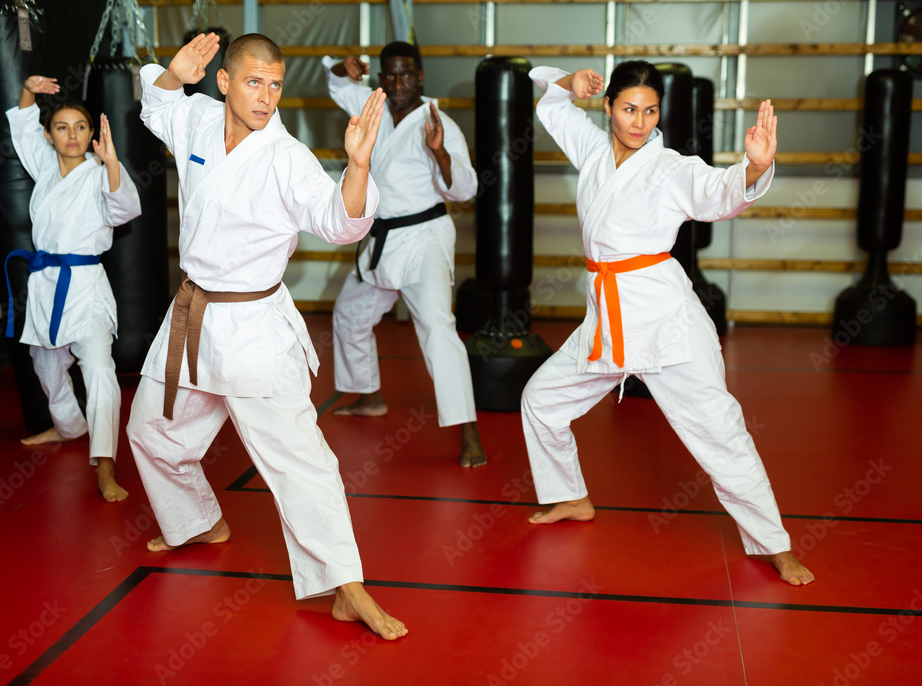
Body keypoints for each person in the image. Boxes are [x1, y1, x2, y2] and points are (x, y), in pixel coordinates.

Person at [126, 32, 407, 640]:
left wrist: (357, 166)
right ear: (224, 82)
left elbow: (340, 222)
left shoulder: (286, 158)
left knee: (301, 461)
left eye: (276, 84)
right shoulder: (198, 120)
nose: (266, 96)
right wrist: (174, 74)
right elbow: (156, 101)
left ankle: (346, 587)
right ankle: (198, 521)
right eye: (254, 82)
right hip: (193, 315)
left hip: (254, 327)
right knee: (150, 430)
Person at [520, 61, 814, 586]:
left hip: (664, 323)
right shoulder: (591, 151)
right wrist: (569, 83)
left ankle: (774, 545)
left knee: (721, 432)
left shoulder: (670, 168)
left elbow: (718, 191)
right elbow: (551, 106)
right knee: (540, 402)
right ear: (608, 106)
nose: (639, 121)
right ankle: (571, 497)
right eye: (628, 108)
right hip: (605, 324)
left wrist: (752, 168)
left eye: (649, 110)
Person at [322, 42, 487, 468]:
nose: (398, 84)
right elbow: (337, 82)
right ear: (380, 77)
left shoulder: (439, 123)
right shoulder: (373, 104)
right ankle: (370, 396)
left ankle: (468, 430)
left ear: (421, 77)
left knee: (437, 326)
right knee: (349, 315)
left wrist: (439, 152)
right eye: (389, 75)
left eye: (406, 75)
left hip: (424, 239)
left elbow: (466, 190)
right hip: (381, 240)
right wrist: (345, 66)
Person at [5, 76, 141, 502]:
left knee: (99, 371)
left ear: (92, 134)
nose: (72, 135)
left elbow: (125, 209)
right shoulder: (45, 168)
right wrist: (28, 88)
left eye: (81, 127)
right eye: (62, 127)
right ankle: (69, 426)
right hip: (47, 285)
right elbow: (24, 125)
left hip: (85, 288)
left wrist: (113, 161)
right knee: (45, 367)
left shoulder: (101, 175)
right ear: (51, 136)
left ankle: (105, 465)